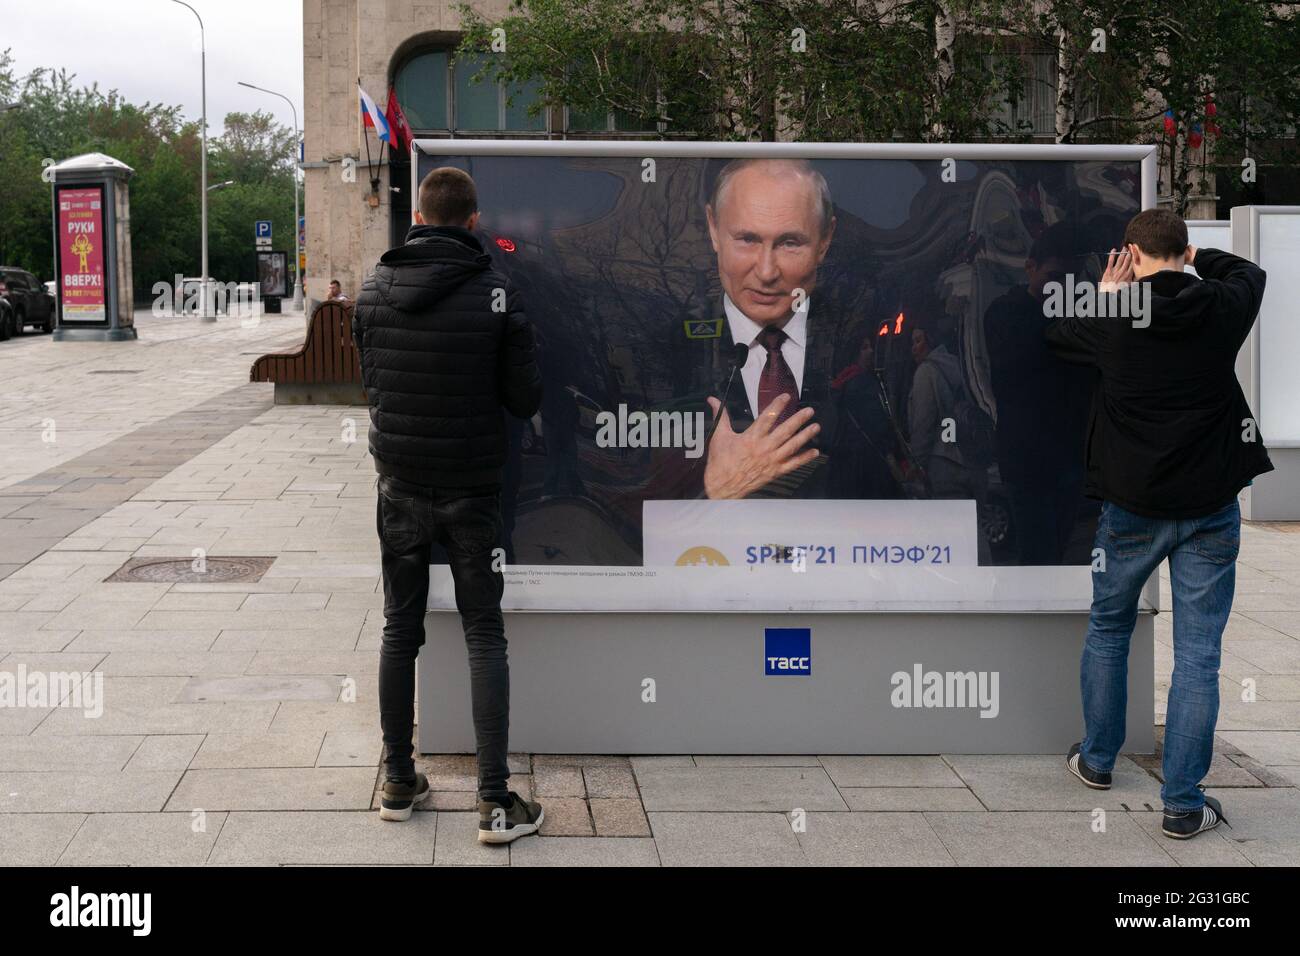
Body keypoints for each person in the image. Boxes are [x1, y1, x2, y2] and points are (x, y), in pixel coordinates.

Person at [1045, 208, 1270, 840]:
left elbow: (1059, 335)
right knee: (1199, 656)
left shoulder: (1115, 320)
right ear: (1182, 251)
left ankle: (1096, 761)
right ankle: (1181, 803)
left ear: (1130, 257)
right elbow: (1250, 272)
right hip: (1209, 510)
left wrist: (1110, 295)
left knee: (1110, 628)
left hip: (1130, 508)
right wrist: (1195, 257)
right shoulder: (1222, 309)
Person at [353, 166, 545, 843]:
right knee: (482, 633)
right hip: (473, 489)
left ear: (419, 217)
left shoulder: (374, 288)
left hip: (399, 484)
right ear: (471, 222)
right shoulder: (496, 292)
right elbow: (526, 400)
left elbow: (372, 386)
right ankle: (494, 803)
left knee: (398, 629)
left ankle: (399, 781)